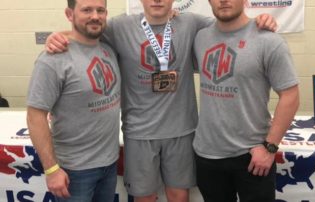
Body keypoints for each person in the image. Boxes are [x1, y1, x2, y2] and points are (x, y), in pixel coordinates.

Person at [45, 1, 277, 201]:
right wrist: (57, 35)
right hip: (139, 132)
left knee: (179, 196)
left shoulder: (191, 23)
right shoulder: (120, 26)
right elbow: (85, 31)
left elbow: (232, 25)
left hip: (182, 130)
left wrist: (261, 20)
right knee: (145, 197)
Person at [193, 0, 300, 201]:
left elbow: (291, 95)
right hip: (207, 155)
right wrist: (171, 14)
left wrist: (270, 148)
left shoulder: (268, 40)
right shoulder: (200, 36)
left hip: (252, 156)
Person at [26, 0, 121, 201]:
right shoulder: (52, 59)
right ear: (70, 14)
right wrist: (51, 169)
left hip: (109, 164)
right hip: (74, 172)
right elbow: (35, 117)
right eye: (86, 10)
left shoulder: (109, 50)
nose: (95, 16)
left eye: (100, 10)